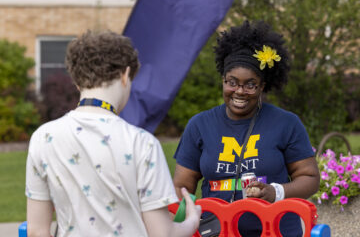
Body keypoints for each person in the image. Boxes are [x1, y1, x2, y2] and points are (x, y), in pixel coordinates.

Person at [25, 30, 201, 237]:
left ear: (77, 80)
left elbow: (36, 231)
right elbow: (162, 234)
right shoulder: (142, 143)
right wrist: (192, 219)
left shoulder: (43, 137)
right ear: (125, 75)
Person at [173, 20, 320, 236]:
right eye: (232, 82)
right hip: (217, 231)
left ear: (262, 86)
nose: (239, 91)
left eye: (250, 84)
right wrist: (183, 224)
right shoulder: (200, 125)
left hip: (276, 231)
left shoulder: (286, 123)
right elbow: (182, 187)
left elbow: (310, 178)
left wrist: (276, 191)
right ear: (223, 80)